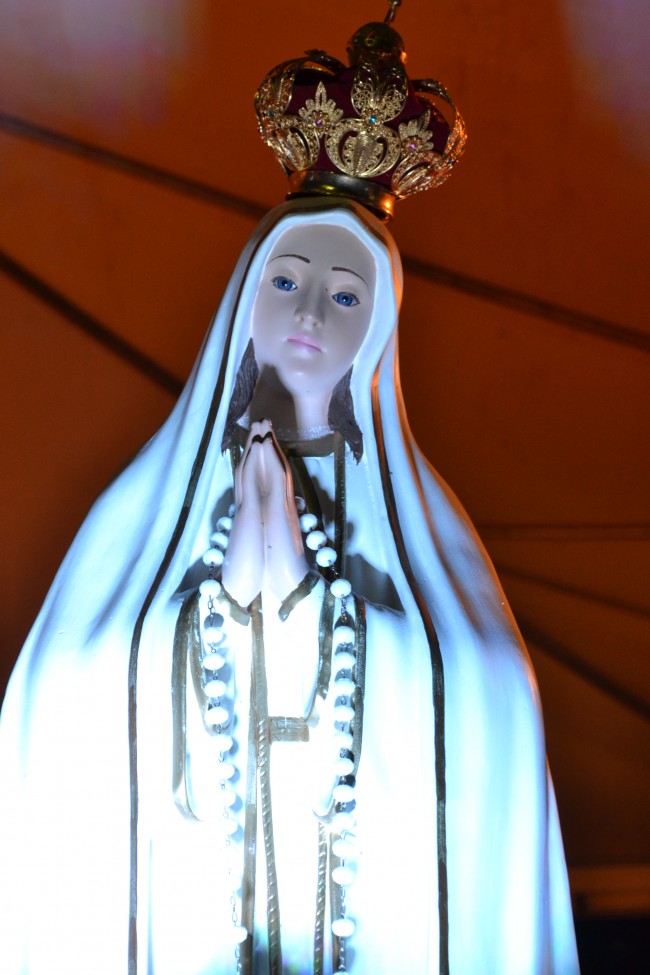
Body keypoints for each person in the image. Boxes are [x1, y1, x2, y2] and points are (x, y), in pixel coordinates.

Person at [0, 197, 579, 974]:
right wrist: (225, 605)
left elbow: (487, 695)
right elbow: (66, 688)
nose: (310, 311)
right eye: (285, 282)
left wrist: (315, 608)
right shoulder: (152, 505)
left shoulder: (416, 521)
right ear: (244, 298)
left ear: (377, 328)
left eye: (344, 295)